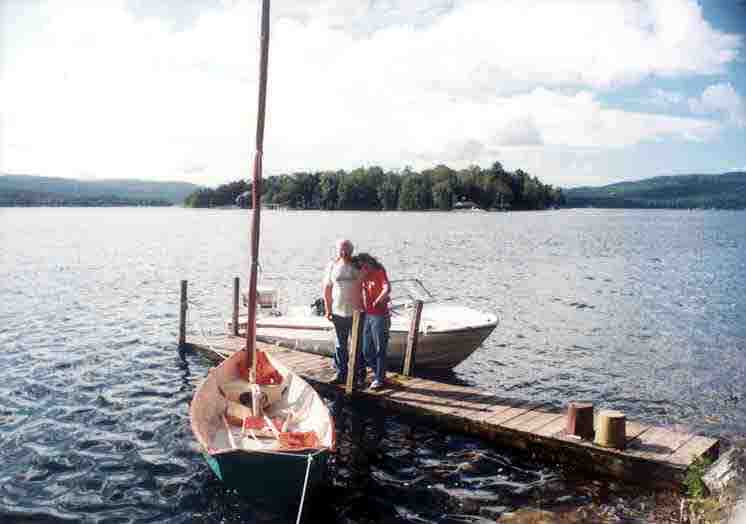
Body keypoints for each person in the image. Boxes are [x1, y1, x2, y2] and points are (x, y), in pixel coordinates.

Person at [322, 239, 361, 384]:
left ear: (351, 251)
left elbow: (365, 286)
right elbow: (327, 289)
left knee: (357, 344)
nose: (344, 253)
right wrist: (328, 309)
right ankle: (341, 373)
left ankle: (358, 374)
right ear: (337, 251)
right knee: (340, 344)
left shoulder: (358, 266)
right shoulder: (332, 266)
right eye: (341, 250)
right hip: (338, 311)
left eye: (347, 250)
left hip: (356, 312)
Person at [353, 253, 391, 390]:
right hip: (367, 315)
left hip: (380, 316)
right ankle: (380, 374)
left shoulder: (379, 272)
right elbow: (356, 289)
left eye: (364, 265)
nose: (363, 268)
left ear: (369, 262)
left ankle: (379, 379)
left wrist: (379, 299)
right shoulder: (363, 276)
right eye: (361, 266)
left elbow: (387, 288)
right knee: (367, 350)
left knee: (380, 348)